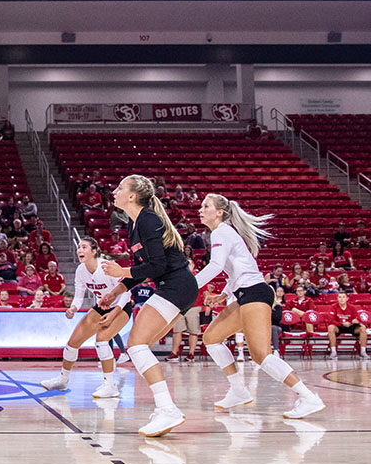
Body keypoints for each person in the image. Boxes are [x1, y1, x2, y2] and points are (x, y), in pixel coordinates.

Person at [195, 193, 325, 418]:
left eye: (206, 206)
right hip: (245, 293)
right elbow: (240, 269)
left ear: (219, 212)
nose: (200, 209)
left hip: (255, 293)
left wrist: (190, 285)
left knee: (261, 355)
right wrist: (224, 295)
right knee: (211, 338)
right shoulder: (224, 233)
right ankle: (238, 391)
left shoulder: (221, 232)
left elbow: (216, 265)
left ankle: (308, 397)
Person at [98, 175, 199, 438]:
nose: (115, 191)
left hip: (176, 285)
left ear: (132, 196)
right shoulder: (135, 224)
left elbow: (158, 266)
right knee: (139, 346)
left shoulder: (148, 220)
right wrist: (118, 289)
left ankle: (168, 409)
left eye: (120, 188)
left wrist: (122, 269)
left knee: (136, 345)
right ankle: (165, 408)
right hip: (175, 286)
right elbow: (145, 270)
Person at [42, 237, 130, 398]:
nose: (79, 250)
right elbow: (79, 296)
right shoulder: (80, 270)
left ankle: (110, 385)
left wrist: (114, 312)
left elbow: (127, 291)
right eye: (78, 247)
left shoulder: (106, 267)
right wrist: (73, 308)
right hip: (101, 307)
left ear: (94, 251)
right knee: (72, 343)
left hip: (121, 306)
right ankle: (63, 380)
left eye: (84, 247)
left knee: (102, 340)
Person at [327, 291, 369, 359]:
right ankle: (333, 352)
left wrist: (355, 321)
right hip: (339, 327)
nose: (341, 299)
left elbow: (358, 319)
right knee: (330, 327)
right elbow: (330, 320)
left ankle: (363, 352)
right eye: (340, 297)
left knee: (363, 328)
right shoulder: (333, 307)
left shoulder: (352, 307)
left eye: (343, 297)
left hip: (351, 326)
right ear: (337, 298)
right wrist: (341, 324)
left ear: (347, 298)